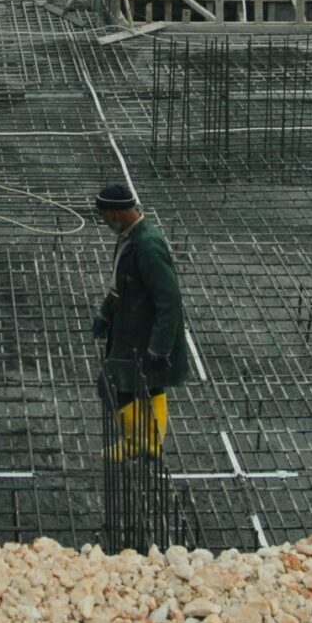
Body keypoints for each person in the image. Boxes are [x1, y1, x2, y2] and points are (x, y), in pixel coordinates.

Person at [91, 184, 188, 459]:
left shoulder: (147, 245)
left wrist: (160, 348)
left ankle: (140, 444)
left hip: (143, 333)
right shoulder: (131, 237)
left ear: (115, 214)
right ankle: (147, 443)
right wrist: (105, 312)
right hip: (133, 326)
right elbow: (121, 285)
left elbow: (169, 300)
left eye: (104, 216)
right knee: (149, 385)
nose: (103, 221)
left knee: (120, 386)